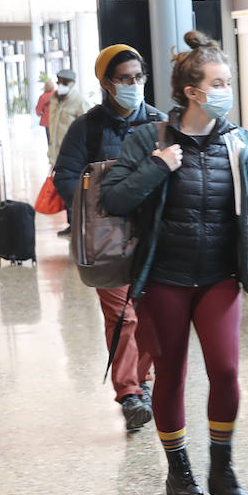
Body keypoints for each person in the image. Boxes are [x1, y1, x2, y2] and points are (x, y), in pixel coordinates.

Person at [100, 31, 248, 495]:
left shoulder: (236, 142)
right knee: (170, 374)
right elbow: (114, 198)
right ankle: (179, 471)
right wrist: (157, 166)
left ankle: (222, 464)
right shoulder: (146, 139)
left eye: (228, 82)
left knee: (227, 371)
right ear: (192, 91)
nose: (225, 92)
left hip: (219, 276)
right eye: (218, 83)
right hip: (165, 278)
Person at [53, 44, 164, 432]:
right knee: (122, 314)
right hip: (108, 237)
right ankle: (130, 392)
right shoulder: (88, 126)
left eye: (139, 77)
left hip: (154, 234)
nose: (134, 85)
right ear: (106, 83)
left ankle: (143, 381)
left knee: (151, 312)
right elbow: (65, 176)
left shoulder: (160, 122)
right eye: (125, 79)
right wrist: (96, 208)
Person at [48, 68, 91, 236]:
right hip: (57, 152)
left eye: (65, 83)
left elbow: (88, 128)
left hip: (74, 154)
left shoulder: (79, 102)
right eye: (59, 82)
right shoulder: (55, 99)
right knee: (63, 187)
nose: (61, 86)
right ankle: (70, 223)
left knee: (75, 187)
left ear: (72, 84)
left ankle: (77, 223)